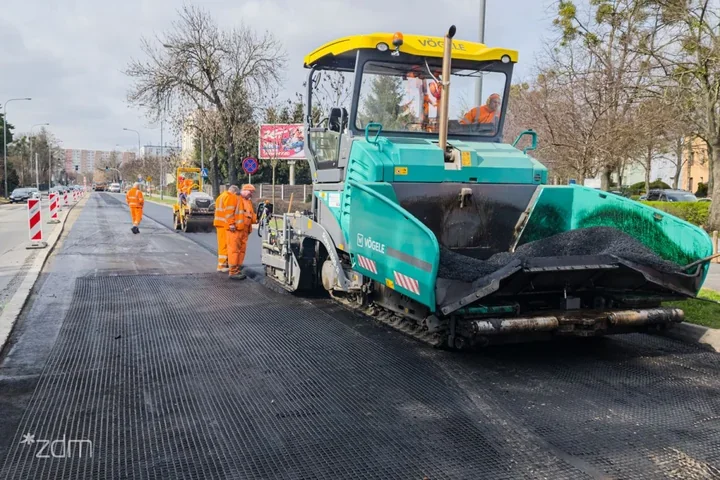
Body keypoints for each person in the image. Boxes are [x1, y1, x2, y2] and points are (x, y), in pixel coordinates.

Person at [226, 184, 257, 280]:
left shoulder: (248, 202)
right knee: (234, 250)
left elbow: (250, 215)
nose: (251, 194)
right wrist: (231, 224)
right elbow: (229, 212)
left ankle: (237, 269)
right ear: (244, 190)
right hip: (235, 229)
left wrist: (256, 219)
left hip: (244, 230)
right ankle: (233, 271)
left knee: (241, 251)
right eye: (250, 192)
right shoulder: (235, 198)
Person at [213, 185, 231, 272]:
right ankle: (222, 266)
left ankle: (223, 264)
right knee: (224, 246)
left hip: (219, 223)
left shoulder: (220, 197)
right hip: (224, 224)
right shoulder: (228, 197)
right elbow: (229, 212)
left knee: (222, 245)